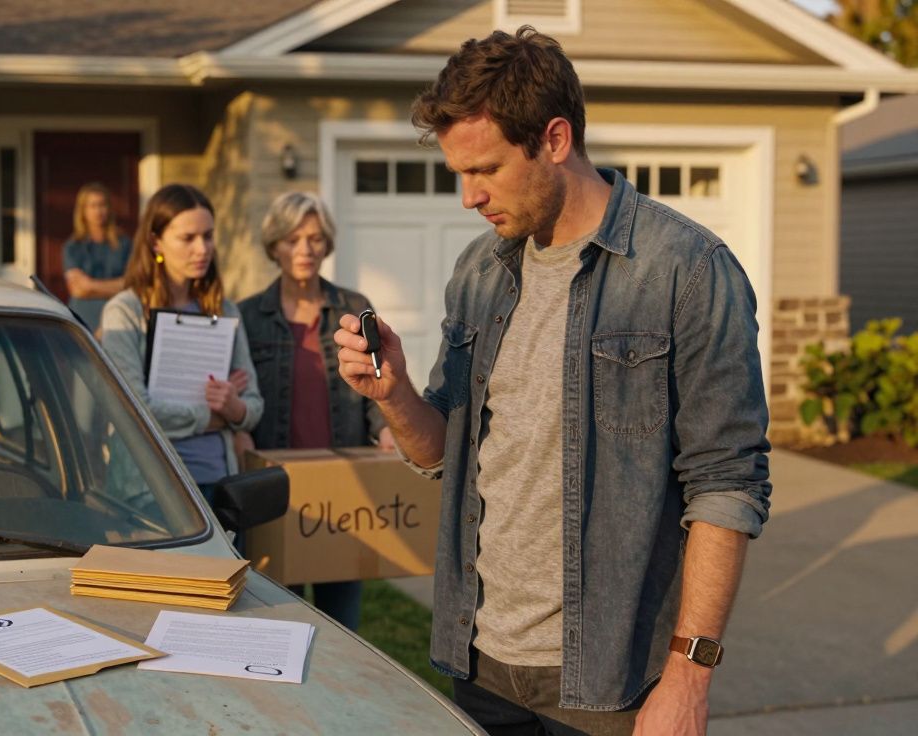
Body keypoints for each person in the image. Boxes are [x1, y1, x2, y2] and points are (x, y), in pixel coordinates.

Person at [333, 27, 771, 736]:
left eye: (486, 170)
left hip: (612, 681)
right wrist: (397, 396)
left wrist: (689, 678)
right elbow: (442, 451)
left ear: (555, 139)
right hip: (478, 662)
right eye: (458, 174)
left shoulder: (686, 270)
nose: (468, 197)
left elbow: (727, 482)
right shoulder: (480, 271)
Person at [238, 191, 396, 632]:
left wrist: (384, 427)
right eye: (292, 239)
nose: (304, 250)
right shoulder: (247, 316)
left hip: (339, 490)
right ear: (274, 246)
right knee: (274, 624)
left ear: (327, 244)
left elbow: (376, 381)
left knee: (341, 628)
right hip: (273, 491)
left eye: (314, 238)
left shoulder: (352, 308)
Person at [100, 184, 263, 502]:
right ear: (155, 241)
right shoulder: (125, 312)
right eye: (188, 238)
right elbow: (136, 413)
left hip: (220, 486)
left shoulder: (225, 310)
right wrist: (212, 418)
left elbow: (254, 405)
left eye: (208, 236)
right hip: (150, 494)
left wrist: (235, 407)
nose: (202, 249)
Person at [63, 182, 133, 331]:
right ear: (83, 210)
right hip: (83, 320)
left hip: (118, 317)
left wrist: (90, 285)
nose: (98, 211)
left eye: (102, 205)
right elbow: (78, 290)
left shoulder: (124, 244)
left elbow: (130, 285)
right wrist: (115, 285)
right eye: (92, 206)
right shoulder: (73, 246)